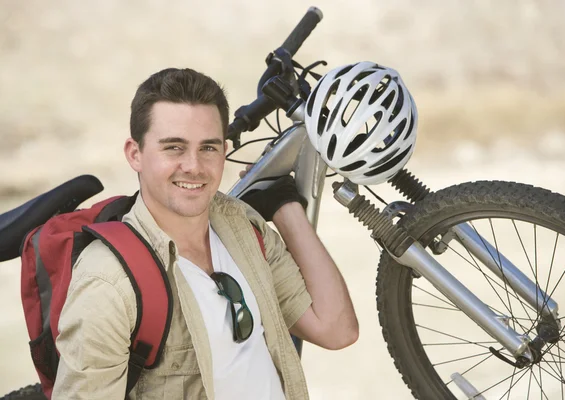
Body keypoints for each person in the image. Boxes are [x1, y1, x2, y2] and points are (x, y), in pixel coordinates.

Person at [53, 68, 359, 400]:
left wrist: (284, 207)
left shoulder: (241, 226)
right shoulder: (108, 281)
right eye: (174, 148)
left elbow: (336, 329)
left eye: (209, 148)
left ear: (224, 150)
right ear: (135, 154)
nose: (194, 166)